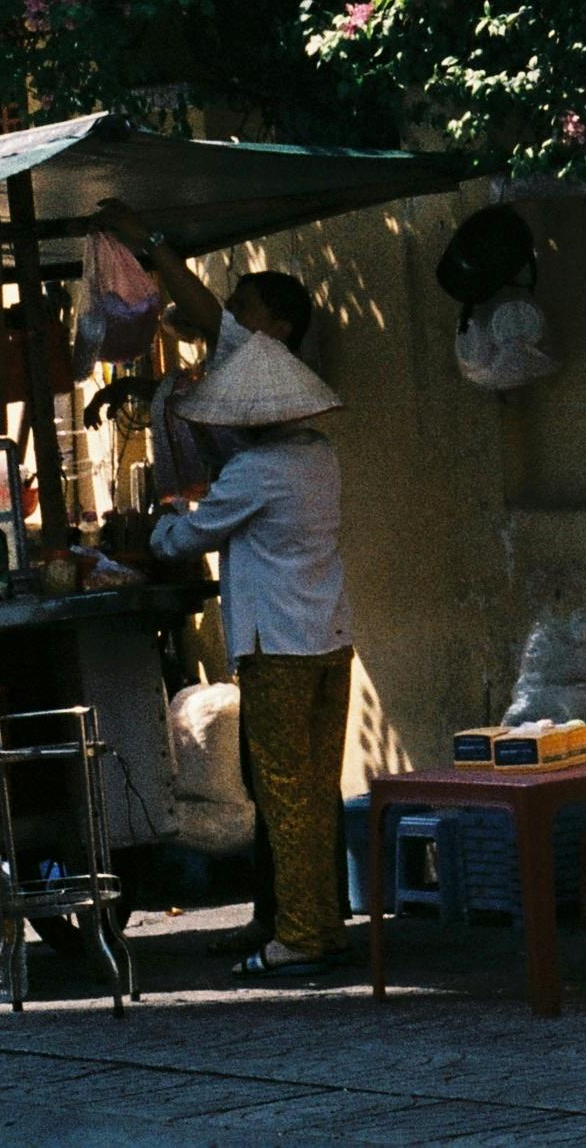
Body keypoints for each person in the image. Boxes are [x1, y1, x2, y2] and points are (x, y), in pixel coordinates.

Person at [100, 209, 352, 978]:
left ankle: (300, 936)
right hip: (331, 639)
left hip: (277, 647)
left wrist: (154, 527)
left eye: (246, 308)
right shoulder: (318, 457)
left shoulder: (255, 470)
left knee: (283, 795)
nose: (232, 320)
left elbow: (184, 541)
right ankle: (307, 920)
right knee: (312, 790)